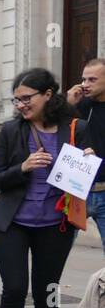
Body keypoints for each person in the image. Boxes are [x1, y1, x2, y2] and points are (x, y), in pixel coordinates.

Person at [0, 67, 97, 308]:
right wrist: (22, 167)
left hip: (55, 226)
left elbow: (83, 182)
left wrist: (87, 162)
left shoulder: (77, 128)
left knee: (47, 292)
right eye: (17, 99)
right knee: (16, 288)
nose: (21, 105)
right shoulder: (11, 131)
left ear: (48, 95)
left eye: (26, 98)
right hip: (12, 224)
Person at [67, 58, 105, 251]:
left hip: (103, 190)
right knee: (55, 253)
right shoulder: (79, 105)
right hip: (76, 190)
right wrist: (67, 105)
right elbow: (53, 132)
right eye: (83, 79)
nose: (85, 85)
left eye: (92, 80)